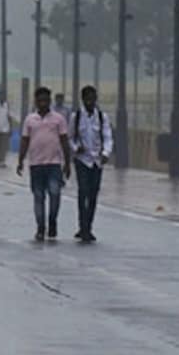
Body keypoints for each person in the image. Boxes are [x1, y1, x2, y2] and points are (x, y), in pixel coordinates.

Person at [17, 87, 72, 241]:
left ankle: (52, 222)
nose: (42, 103)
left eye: (45, 100)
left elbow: (64, 141)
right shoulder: (30, 120)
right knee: (38, 197)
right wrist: (20, 160)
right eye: (40, 100)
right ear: (36, 101)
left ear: (50, 101)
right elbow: (25, 140)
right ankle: (41, 227)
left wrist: (67, 163)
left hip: (54, 164)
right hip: (36, 164)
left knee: (55, 193)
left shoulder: (58, 119)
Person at [70, 85, 113, 243]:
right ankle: (83, 226)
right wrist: (75, 147)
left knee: (93, 194)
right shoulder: (76, 117)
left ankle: (88, 226)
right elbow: (70, 137)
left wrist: (106, 153)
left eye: (92, 99)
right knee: (83, 192)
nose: (90, 102)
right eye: (87, 99)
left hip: (96, 161)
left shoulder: (102, 117)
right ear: (83, 99)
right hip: (82, 160)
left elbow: (108, 137)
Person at [0, 89, 16, 168]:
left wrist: (11, 128)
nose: (1, 97)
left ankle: (2, 161)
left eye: (2, 96)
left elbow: (10, 118)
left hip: (5, 129)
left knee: (4, 146)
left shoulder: (7, 106)